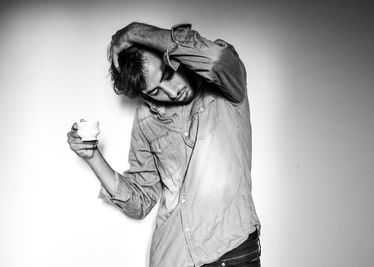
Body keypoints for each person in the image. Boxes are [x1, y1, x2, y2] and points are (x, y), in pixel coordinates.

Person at [67, 22, 261, 267]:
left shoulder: (224, 83)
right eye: (154, 90)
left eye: (168, 75)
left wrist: (135, 32)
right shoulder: (147, 119)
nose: (170, 92)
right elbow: (140, 201)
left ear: (173, 57)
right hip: (171, 257)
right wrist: (92, 155)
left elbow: (214, 59)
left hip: (229, 251)